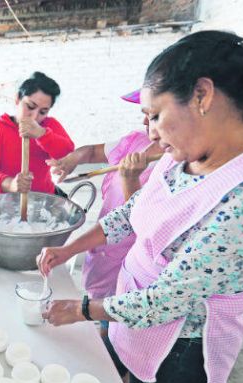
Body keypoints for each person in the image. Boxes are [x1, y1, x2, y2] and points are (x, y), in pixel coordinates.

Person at [37, 30, 243, 383]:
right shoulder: (187, 148)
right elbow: (132, 213)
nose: (149, 132)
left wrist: (83, 309)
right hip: (127, 307)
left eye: (155, 115)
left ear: (203, 94)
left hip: (180, 345)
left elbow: (166, 300)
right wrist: (72, 247)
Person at [46, 91, 163, 338]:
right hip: (104, 242)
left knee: (120, 320)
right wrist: (72, 159)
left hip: (134, 259)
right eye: (145, 115)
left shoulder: (173, 165)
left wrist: (130, 178)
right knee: (102, 311)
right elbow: (89, 153)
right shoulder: (136, 142)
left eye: (153, 116)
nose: (145, 122)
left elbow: (140, 221)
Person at [0, 71, 75, 197]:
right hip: (7, 201)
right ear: (17, 99)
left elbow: (69, 153)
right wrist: (11, 184)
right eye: (30, 106)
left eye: (43, 112)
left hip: (45, 199)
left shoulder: (49, 125)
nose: (34, 117)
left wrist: (42, 134)